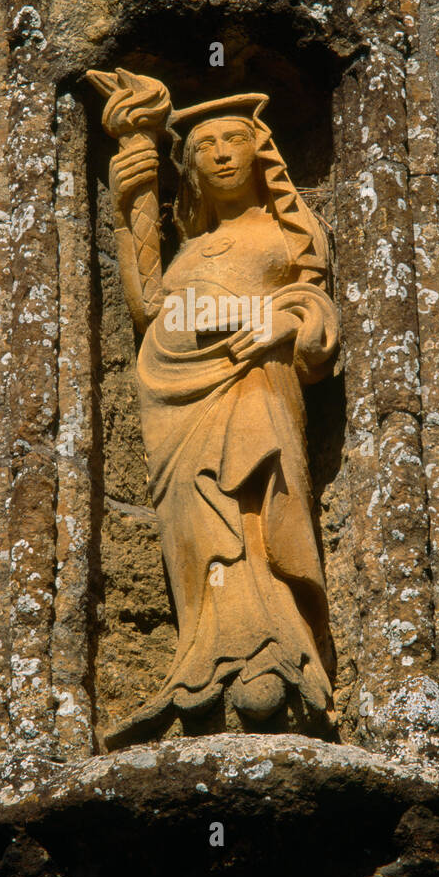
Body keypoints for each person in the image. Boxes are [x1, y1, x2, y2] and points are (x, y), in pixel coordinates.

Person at [88, 71, 340, 746]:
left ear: (259, 152)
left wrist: (286, 320)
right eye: (205, 146)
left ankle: (276, 652)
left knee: (252, 517)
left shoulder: (284, 234)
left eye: (234, 139)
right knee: (201, 532)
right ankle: (205, 657)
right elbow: (151, 307)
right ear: (191, 168)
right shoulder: (192, 248)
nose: (223, 152)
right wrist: (132, 198)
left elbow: (313, 303)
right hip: (174, 399)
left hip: (252, 388)